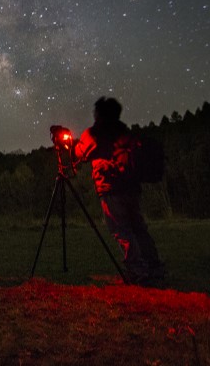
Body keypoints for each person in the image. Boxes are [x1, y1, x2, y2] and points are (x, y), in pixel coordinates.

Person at [74, 97, 165, 285]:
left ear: (99, 114)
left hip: (111, 190)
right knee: (139, 229)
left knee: (122, 231)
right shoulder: (123, 131)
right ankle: (154, 268)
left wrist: (72, 146)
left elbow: (82, 153)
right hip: (132, 188)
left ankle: (138, 272)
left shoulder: (95, 134)